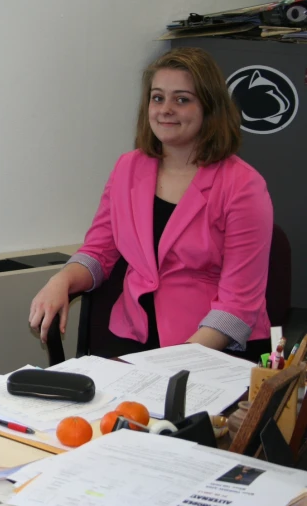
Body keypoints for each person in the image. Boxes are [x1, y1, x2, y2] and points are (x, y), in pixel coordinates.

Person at [29, 47, 273, 361]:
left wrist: (172, 362)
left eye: (182, 99)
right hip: (133, 336)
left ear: (210, 108)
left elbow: (238, 305)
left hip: (212, 347)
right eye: (157, 98)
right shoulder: (127, 168)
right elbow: (100, 252)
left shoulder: (243, 186)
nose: (165, 110)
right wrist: (60, 280)